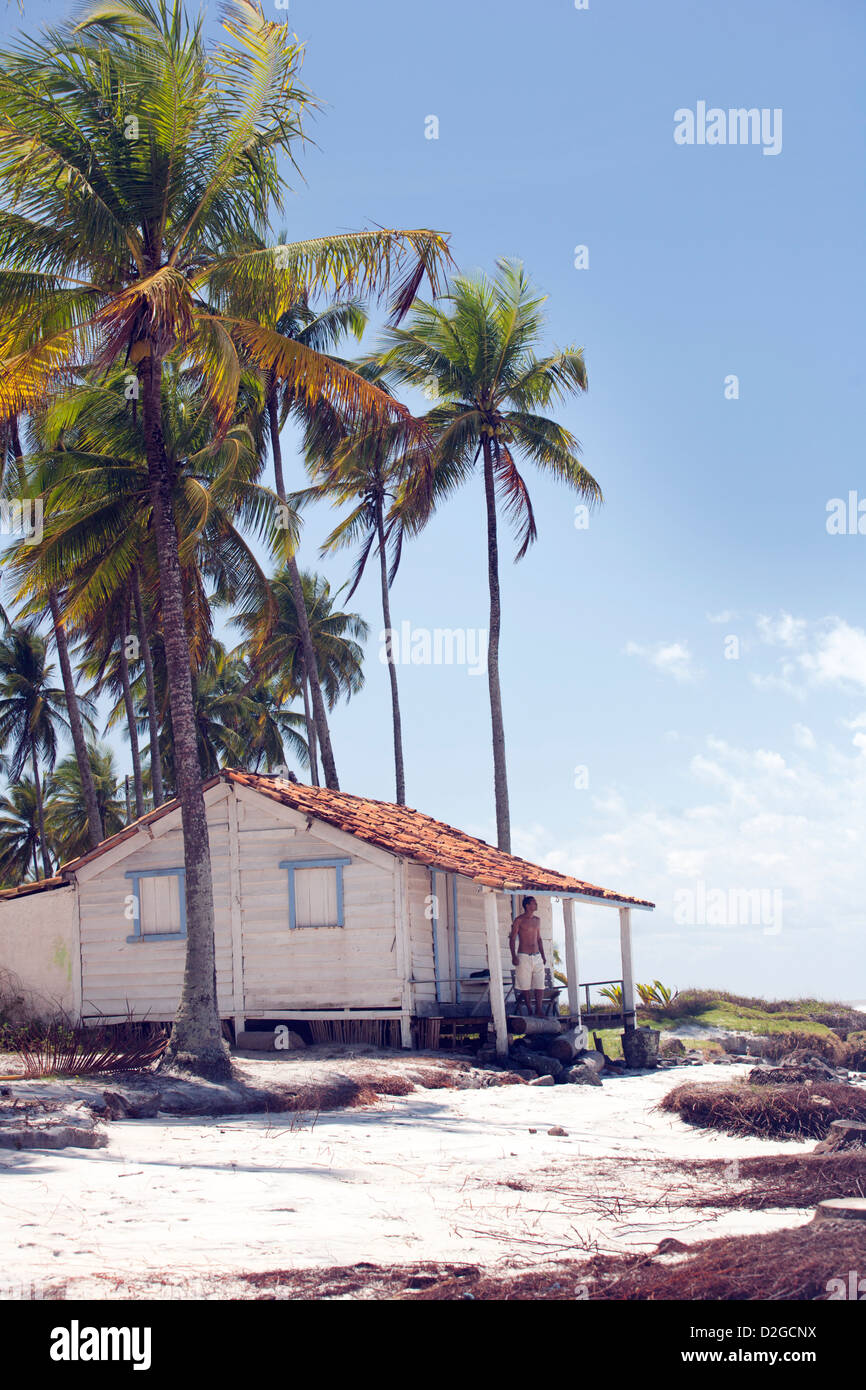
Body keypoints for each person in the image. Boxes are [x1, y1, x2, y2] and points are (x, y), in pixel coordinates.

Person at [509, 896, 547, 1016]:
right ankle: (530, 1009)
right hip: (523, 955)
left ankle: (539, 1009)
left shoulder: (537, 920)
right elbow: (512, 938)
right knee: (525, 984)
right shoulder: (519, 920)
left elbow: (539, 938)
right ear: (527, 905)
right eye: (533, 903)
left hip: (537, 955)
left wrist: (543, 955)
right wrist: (513, 956)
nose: (536, 905)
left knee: (540, 983)